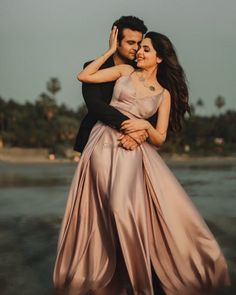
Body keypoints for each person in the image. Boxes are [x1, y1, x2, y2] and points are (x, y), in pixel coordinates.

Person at [53, 28, 230, 295]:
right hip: (103, 142)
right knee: (102, 207)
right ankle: (108, 276)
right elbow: (84, 76)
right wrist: (112, 51)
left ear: (159, 57)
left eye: (146, 48)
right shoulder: (125, 73)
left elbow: (159, 137)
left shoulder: (163, 94)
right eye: (139, 47)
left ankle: (139, 280)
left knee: (121, 206)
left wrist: (142, 129)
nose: (139, 52)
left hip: (133, 150)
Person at [74, 16, 157, 154]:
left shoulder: (142, 71)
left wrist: (141, 134)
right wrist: (132, 127)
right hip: (95, 140)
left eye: (139, 43)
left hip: (131, 142)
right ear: (116, 42)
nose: (136, 48)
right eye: (130, 43)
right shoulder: (93, 68)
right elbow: (95, 105)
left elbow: (153, 106)